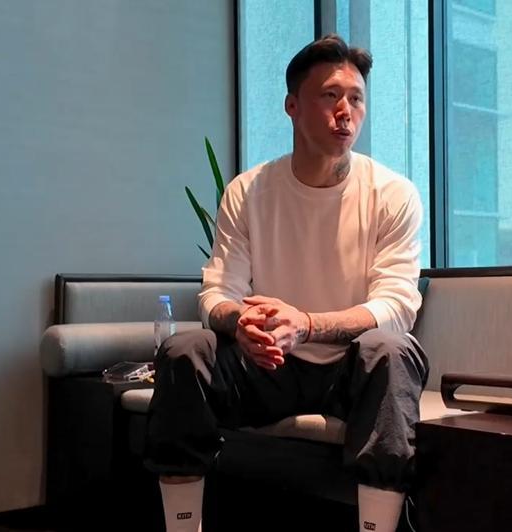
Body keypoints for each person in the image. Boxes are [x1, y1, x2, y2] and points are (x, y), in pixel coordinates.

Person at [144, 33, 428, 532]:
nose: (345, 112)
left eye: (356, 98)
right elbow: (217, 292)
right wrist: (242, 321)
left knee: (391, 349)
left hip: (349, 370)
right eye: (330, 96)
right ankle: (182, 525)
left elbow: (397, 304)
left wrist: (308, 324)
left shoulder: (392, 194)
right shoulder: (248, 191)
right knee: (184, 350)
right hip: (267, 367)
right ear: (292, 106)